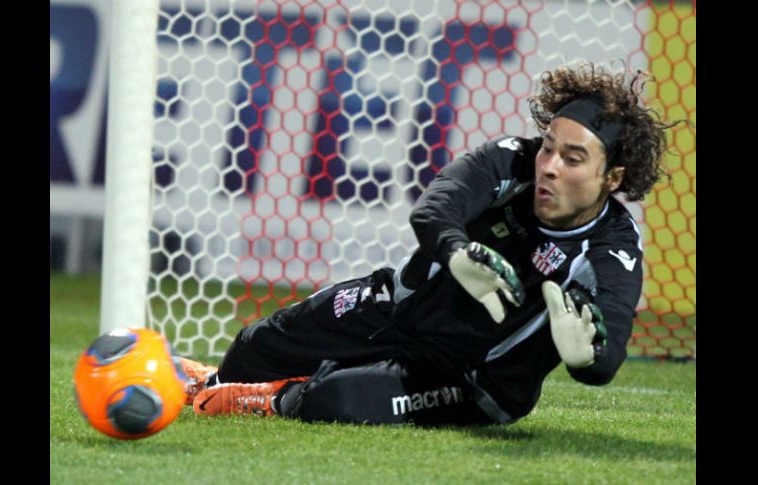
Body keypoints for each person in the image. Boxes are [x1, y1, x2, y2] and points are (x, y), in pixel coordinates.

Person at [179, 61, 674, 426]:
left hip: (470, 379)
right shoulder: (512, 162)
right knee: (254, 344)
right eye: (548, 147)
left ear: (612, 178)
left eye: (573, 158)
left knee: (336, 401)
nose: (549, 166)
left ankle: (263, 399)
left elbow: (608, 357)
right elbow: (436, 207)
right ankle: (215, 381)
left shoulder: (612, 251)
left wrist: (587, 358)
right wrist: (456, 252)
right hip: (401, 306)